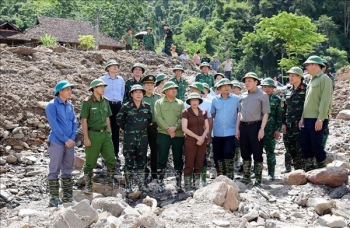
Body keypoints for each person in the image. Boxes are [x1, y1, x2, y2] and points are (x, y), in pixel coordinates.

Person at [80, 79, 116, 194]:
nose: (103, 89)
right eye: (100, 87)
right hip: (93, 134)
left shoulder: (105, 101)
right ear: (94, 88)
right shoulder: (87, 102)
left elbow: (107, 117)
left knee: (111, 158)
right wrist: (86, 137)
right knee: (90, 161)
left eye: (103, 87)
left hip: (105, 134)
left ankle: (110, 181)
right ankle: (88, 184)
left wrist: (109, 132)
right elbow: (84, 120)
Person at [45, 80, 77, 207]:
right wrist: (65, 139)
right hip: (57, 142)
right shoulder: (51, 105)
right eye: (67, 89)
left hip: (70, 142)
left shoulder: (70, 105)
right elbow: (54, 125)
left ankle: (67, 196)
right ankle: (53, 198)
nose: (70, 92)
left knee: (68, 170)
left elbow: (75, 122)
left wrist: (72, 138)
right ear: (60, 91)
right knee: (54, 170)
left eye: (70, 89)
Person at [116, 85, 152, 193]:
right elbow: (119, 119)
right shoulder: (126, 106)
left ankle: (141, 184)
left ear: (143, 94)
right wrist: (127, 129)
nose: (138, 94)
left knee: (142, 162)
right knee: (129, 162)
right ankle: (128, 185)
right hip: (129, 139)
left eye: (140, 92)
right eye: (135, 92)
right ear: (131, 94)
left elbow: (149, 120)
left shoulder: (147, 106)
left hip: (143, 139)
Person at [299, 56, 333, 171]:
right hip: (307, 118)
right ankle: (309, 169)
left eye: (308, 65)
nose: (306, 67)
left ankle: (322, 170)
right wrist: (302, 118)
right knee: (305, 144)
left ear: (315, 65)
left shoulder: (325, 79)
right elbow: (307, 102)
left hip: (317, 119)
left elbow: (325, 100)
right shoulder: (312, 80)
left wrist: (321, 118)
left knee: (316, 145)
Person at [236, 72, 270, 186]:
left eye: (250, 81)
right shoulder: (243, 95)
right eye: (245, 81)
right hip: (244, 127)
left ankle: (258, 178)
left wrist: (262, 128)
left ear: (256, 82)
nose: (247, 83)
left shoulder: (262, 95)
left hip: (256, 126)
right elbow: (240, 113)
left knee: (257, 152)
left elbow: (266, 113)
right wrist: (237, 128)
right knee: (245, 153)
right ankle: (246, 177)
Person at [154, 81, 185, 193]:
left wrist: (175, 127)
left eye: (175, 88)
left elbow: (182, 118)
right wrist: (168, 128)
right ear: (165, 91)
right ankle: (160, 182)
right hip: (163, 135)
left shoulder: (181, 103)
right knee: (162, 159)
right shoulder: (159, 102)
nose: (174, 90)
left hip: (178, 135)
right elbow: (158, 117)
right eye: (171, 88)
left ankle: (178, 183)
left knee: (178, 159)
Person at [211, 78, 240, 180]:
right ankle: (221, 176)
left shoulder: (236, 99)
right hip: (218, 131)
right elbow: (213, 114)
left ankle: (230, 176)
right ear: (219, 88)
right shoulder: (215, 100)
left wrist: (237, 128)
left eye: (228, 85)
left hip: (231, 131)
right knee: (218, 154)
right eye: (224, 86)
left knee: (229, 152)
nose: (227, 87)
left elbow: (239, 114)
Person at [186, 82, 213, 186]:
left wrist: (207, 135)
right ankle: (189, 182)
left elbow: (209, 121)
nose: (193, 91)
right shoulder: (186, 106)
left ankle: (201, 180)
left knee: (201, 159)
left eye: (195, 89)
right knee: (190, 159)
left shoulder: (206, 105)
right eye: (192, 89)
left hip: (203, 136)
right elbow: (185, 125)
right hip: (191, 137)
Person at [282, 67, 307, 173]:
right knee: (289, 147)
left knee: (300, 147)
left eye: (293, 75)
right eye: (289, 75)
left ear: (300, 77)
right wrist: (283, 123)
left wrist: (303, 119)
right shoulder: (288, 90)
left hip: (300, 123)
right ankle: (297, 172)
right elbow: (284, 108)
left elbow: (308, 106)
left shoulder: (306, 89)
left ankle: (302, 171)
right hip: (288, 124)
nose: (290, 77)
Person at [182, 93, 209, 191]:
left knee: (199, 162)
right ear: (189, 101)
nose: (194, 102)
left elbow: (207, 127)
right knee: (189, 162)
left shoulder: (203, 112)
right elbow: (184, 128)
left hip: (202, 140)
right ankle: (187, 186)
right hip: (190, 140)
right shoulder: (186, 112)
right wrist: (198, 137)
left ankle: (196, 184)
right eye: (192, 100)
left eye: (196, 100)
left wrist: (202, 138)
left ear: (199, 101)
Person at [101, 60, 125, 163]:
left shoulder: (121, 79)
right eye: (112, 66)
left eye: (116, 65)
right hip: (107, 105)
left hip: (118, 105)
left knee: (116, 130)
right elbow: (100, 93)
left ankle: (115, 153)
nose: (115, 67)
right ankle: (105, 154)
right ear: (108, 68)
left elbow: (122, 93)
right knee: (106, 130)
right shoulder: (102, 79)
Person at [260, 78, 283, 180]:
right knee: (257, 151)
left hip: (271, 130)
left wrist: (278, 130)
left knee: (270, 151)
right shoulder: (258, 98)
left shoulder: (277, 100)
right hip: (258, 129)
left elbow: (280, 116)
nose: (267, 89)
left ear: (273, 88)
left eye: (269, 87)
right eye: (265, 86)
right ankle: (258, 171)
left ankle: (271, 172)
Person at [141, 75, 161, 182]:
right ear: (143, 86)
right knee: (142, 150)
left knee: (155, 150)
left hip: (155, 126)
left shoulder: (158, 97)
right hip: (142, 127)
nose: (150, 87)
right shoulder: (140, 97)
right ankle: (144, 172)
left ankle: (154, 173)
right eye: (147, 85)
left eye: (152, 85)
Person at [320, 58, 335, 149]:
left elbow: (330, 92)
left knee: (324, 128)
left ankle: (322, 148)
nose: (322, 68)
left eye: (324, 66)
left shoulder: (329, 78)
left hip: (324, 105)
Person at [231, 81, 243, 171]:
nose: (234, 89)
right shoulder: (229, 99)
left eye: (236, 88)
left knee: (238, 144)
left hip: (240, 124)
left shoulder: (242, 99)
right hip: (230, 125)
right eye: (233, 87)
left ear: (239, 89)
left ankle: (238, 161)